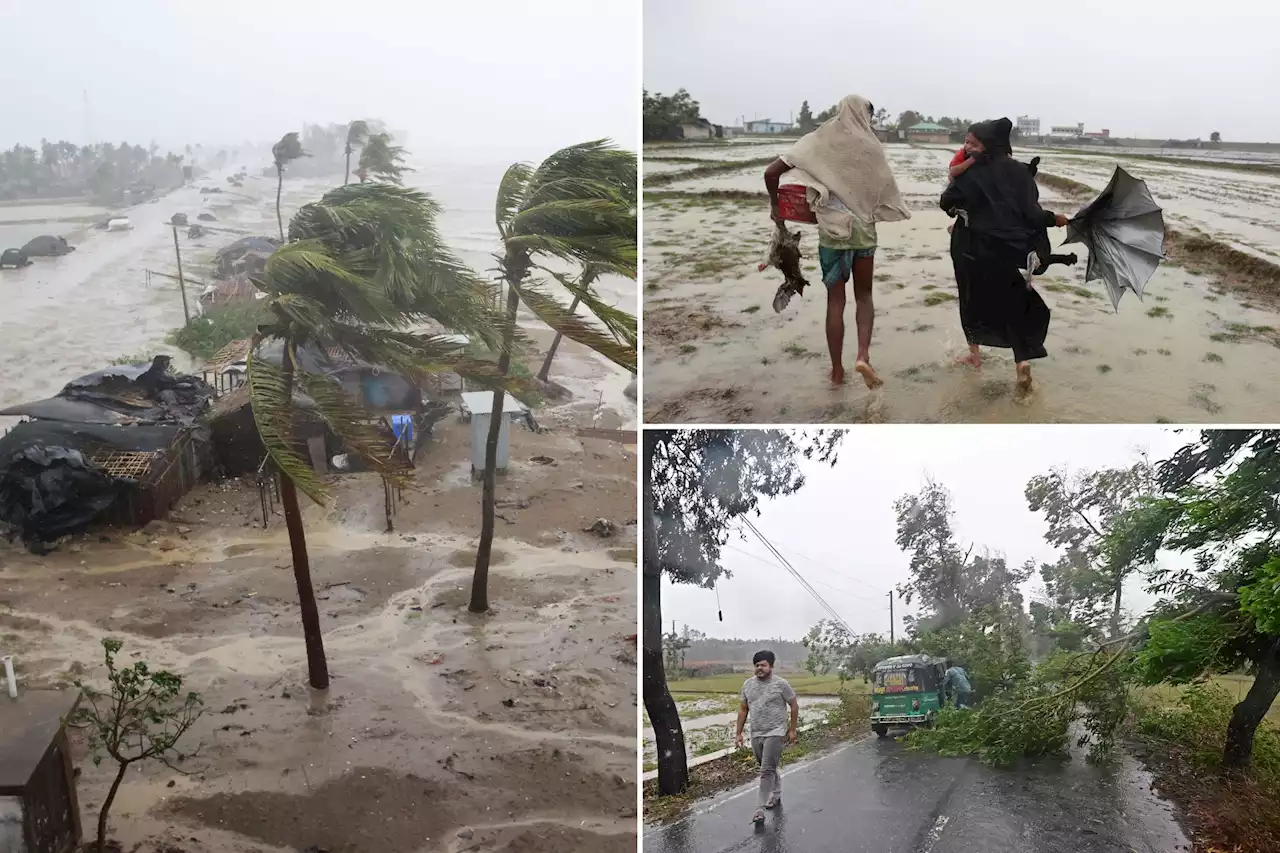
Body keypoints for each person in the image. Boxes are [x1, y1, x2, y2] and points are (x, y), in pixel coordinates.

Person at [763, 95, 911, 389]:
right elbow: (882, 189)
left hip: (831, 234)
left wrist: (776, 207)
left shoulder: (818, 140)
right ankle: (863, 356)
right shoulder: (871, 146)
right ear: (865, 116)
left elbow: (771, 173)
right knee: (865, 296)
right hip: (864, 233)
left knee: (835, 301)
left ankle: (836, 371)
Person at [939, 118, 1069, 392]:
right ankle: (1021, 362)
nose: (969, 148)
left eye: (974, 143)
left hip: (969, 249)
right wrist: (1053, 218)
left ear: (987, 144)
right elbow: (1030, 213)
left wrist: (961, 212)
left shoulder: (970, 172)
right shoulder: (1019, 172)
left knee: (970, 298)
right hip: (1005, 250)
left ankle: (974, 356)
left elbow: (947, 202)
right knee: (1014, 303)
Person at [735, 650, 800, 825]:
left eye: (763, 665)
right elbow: (743, 709)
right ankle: (776, 794)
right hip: (756, 733)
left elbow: (793, 705)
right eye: (757, 665)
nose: (759, 668)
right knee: (767, 766)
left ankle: (759, 809)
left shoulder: (781, 684)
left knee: (766, 770)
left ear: (771, 666)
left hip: (776, 732)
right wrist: (738, 733)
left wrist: (792, 730)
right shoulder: (748, 685)